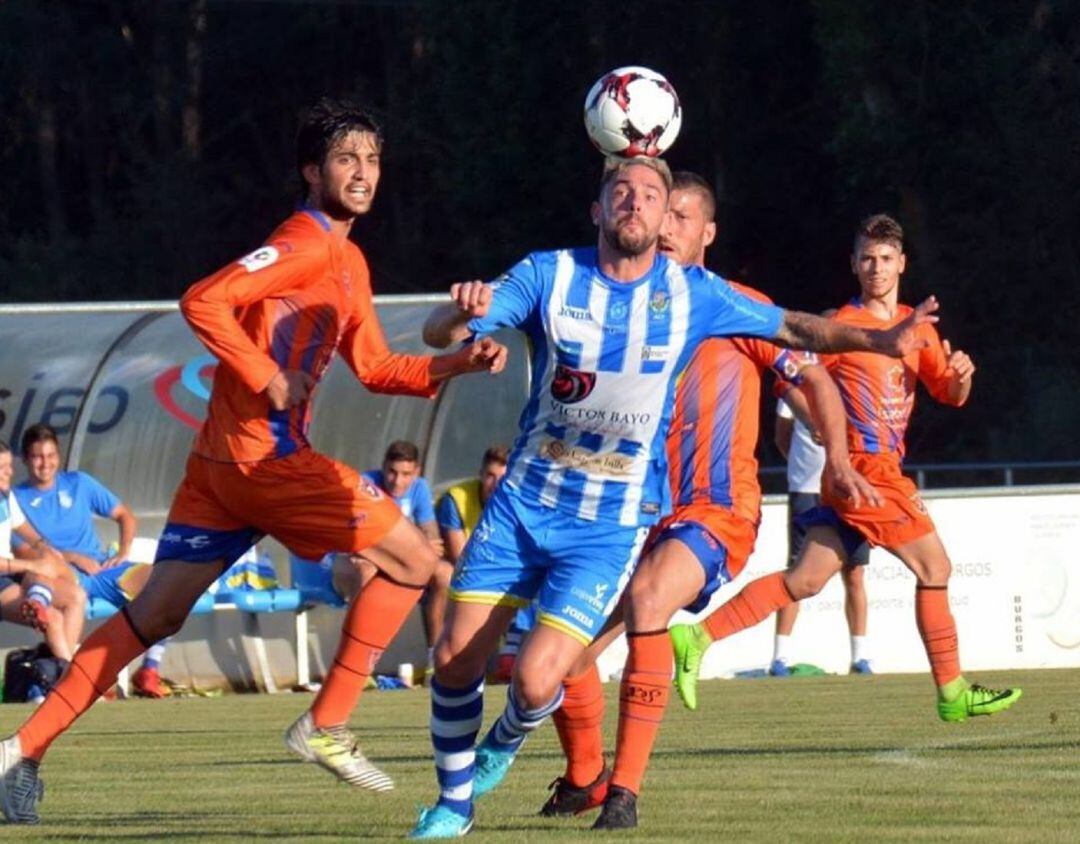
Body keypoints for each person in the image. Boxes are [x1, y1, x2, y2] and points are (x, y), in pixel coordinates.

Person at [0, 97, 506, 824]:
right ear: (311, 171)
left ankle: (21, 750)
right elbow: (203, 299)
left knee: (153, 617)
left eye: (372, 159)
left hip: (221, 470)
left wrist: (456, 363)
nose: (363, 172)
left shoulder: (349, 260)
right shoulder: (302, 242)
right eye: (345, 159)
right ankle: (325, 723)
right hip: (264, 461)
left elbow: (373, 366)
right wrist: (267, 378)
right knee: (419, 560)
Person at [409, 158, 936, 838]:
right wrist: (461, 314)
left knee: (614, 625)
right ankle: (532, 785)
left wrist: (850, 421)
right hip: (557, 503)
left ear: (691, 226)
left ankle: (608, 784)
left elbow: (808, 354)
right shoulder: (556, 276)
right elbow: (443, 333)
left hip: (672, 513)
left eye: (667, 205)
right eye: (623, 192)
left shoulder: (711, 298)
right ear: (598, 208)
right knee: (503, 665)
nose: (649, 213)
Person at [503, 171, 876, 829]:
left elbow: (812, 377)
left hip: (714, 509)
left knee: (649, 599)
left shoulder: (734, 306)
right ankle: (587, 774)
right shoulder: (619, 308)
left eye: (680, 215)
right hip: (628, 514)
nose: (665, 224)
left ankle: (626, 792)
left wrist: (838, 460)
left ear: (706, 233)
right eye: (660, 212)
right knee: (559, 656)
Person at [670, 213, 1021, 722]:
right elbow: (791, 379)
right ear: (853, 265)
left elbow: (950, 393)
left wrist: (963, 375)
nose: (875, 268)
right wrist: (823, 432)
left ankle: (697, 635)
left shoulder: (915, 329)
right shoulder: (844, 327)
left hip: (865, 477)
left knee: (805, 581)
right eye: (866, 259)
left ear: (901, 263)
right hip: (867, 473)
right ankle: (952, 691)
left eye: (884, 259)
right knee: (935, 567)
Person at [14, 424, 168, 697]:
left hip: (101, 568)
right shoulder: (16, 500)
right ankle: (63, 679)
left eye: (51, 456)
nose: (45, 463)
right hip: (60, 576)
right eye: (37, 457)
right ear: (25, 459)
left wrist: (123, 551)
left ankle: (149, 671)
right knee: (59, 597)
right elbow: (24, 552)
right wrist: (72, 557)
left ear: (59, 456)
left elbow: (124, 514)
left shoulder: (79, 483)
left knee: (164, 587)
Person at [769, 380, 873, 676]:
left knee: (854, 571)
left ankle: (860, 657)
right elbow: (782, 435)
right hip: (807, 489)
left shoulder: (852, 380)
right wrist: (800, 468)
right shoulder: (795, 382)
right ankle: (780, 658)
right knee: (796, 572)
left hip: (848, 488)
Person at [433, 446, 524, 682]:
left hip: (499, 575)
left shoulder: (520, 504)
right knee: (446, 576)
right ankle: (436, 660)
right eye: (490, 476)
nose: (495, 484)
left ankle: (512, 656)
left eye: (503, 478)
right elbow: (460, 556)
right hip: (464, 575)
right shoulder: (457, 500)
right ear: (481, 474)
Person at [363, 440, 452, 677]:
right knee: (366, 570)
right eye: (392, 472)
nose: (397, 481)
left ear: (417, 472)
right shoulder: (367, 485)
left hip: (398, 563)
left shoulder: (419, 488)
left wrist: (421, 545)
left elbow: (432, 537)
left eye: (405, 474)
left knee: (444, 573)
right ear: (383, 467)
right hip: (359, 561)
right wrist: (415, 546)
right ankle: (361, 663)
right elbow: (363, 541)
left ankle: (436, 659)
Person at [0, 439, 84, 664]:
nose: (9, 472)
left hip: (10, 572)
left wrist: (44, 548)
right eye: (2, 467)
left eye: (9, 465)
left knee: (76, 596)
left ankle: (47, 674)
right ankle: (69, 678)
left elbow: (20, 525)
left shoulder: (5, 495)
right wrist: (32, 565)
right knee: (53, 618)